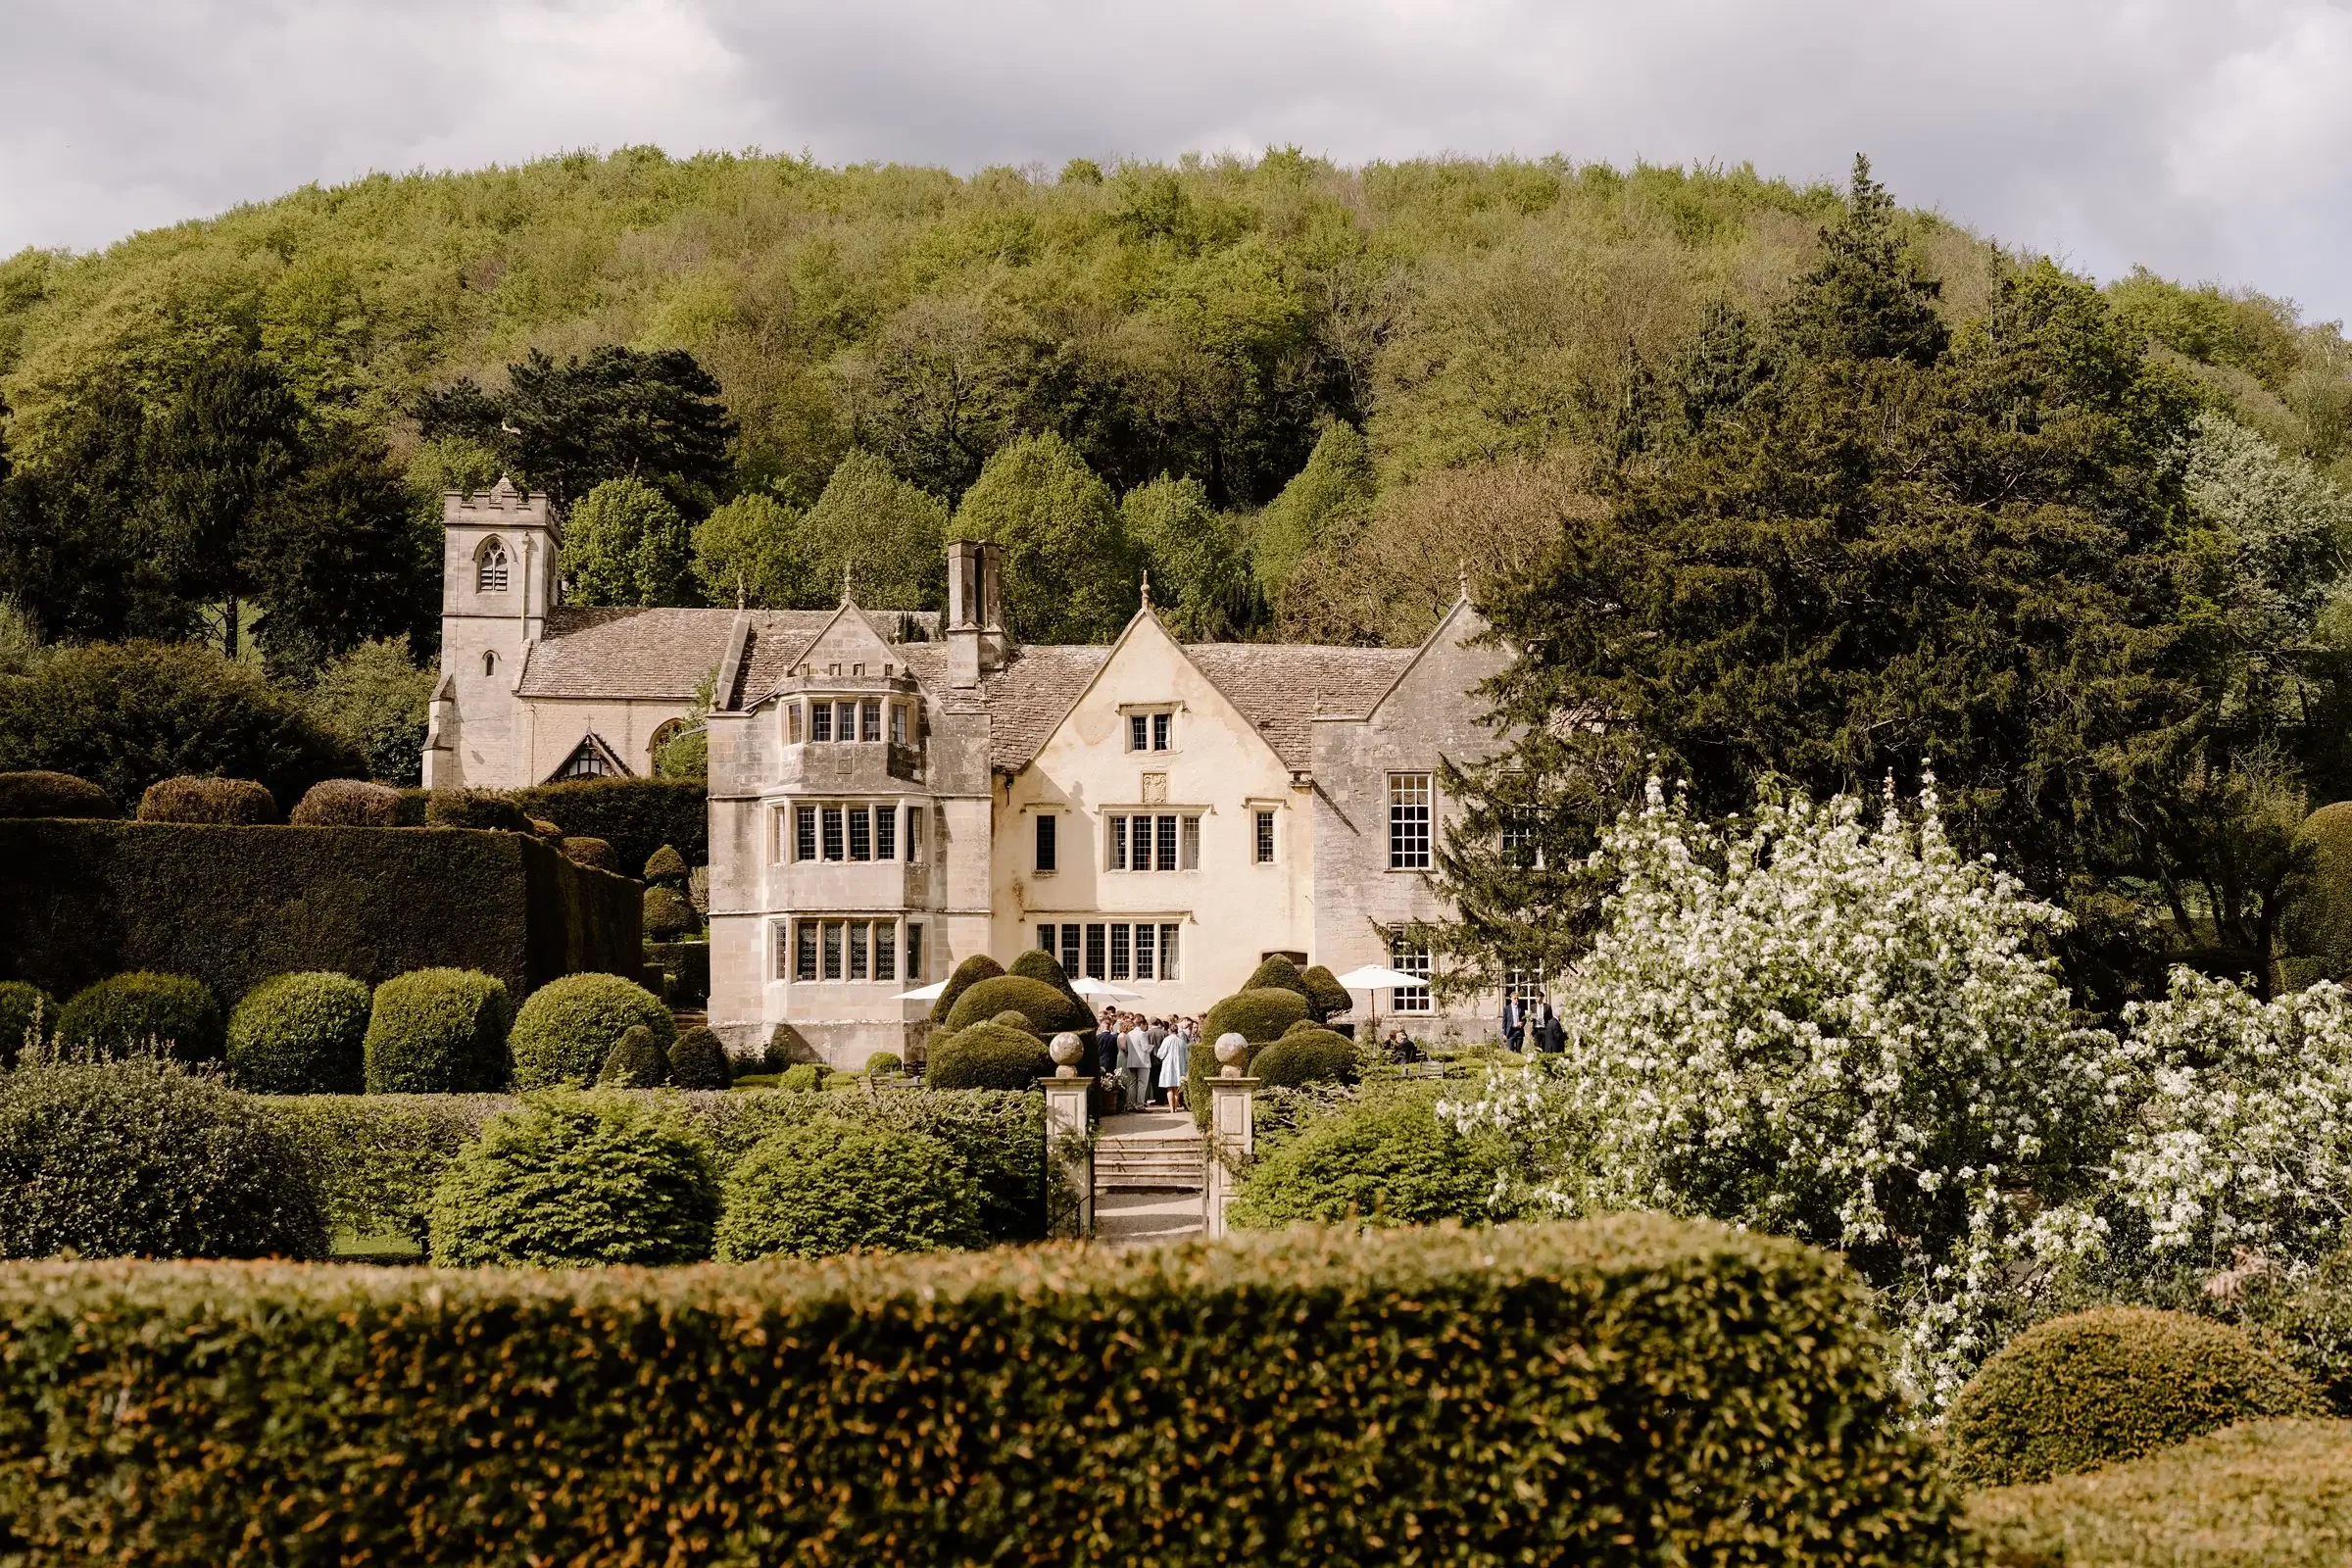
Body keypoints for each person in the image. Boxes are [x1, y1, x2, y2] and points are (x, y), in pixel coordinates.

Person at [1159, 1017, 1191, 1109]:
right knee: (1177, 1088)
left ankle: (1171, 1108)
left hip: (1168, 1066)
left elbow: (1160, 1054)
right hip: (1179, 1066)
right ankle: (1176, 1107)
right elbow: (1186, 1057)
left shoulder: (1167, 1040)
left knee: (1169, 1087)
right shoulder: (1182, 1042)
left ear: (1169, 1030)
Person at [1094, 1009, 1122, 1096]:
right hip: (1112, 1061)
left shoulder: (1097, 1037)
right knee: (1112, 1081)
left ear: (1102, 1027)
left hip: (1100, 1060)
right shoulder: (1114, 1037)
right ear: (1109, 1027)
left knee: (1101, 1081)